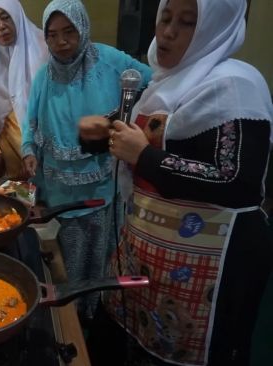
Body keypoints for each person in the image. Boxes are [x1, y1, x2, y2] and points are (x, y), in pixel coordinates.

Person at [79, 0, 273, 364]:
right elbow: (135, 136)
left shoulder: (236, 87)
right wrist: (95, 134)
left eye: (187, 23)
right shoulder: (162, 83)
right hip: (148, 257)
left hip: (208, 269)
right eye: (165, 17)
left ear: (214, 31)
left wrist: (146, 158)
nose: (167, 31)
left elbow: (236, 182)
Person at [21, 0, 151, 321]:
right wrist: (27, 150)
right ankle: (76, 320)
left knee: (100, 252)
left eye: (69, 32)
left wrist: (118, 120)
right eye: (52, 35)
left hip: (100, 183)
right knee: (71, 257)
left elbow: (152, 84)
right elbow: (31, 121)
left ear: (83, 28)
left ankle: (95, 315)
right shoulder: (44, 76)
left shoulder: (108, 60)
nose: (61, 42)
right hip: (60, 188)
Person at [0, 0, 48, 181]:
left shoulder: (44, 46)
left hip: (45, 141)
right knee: (20, 201)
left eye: (5, 17)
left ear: (17, 16)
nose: (0, 27)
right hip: (9, 144)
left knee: (47, 198)